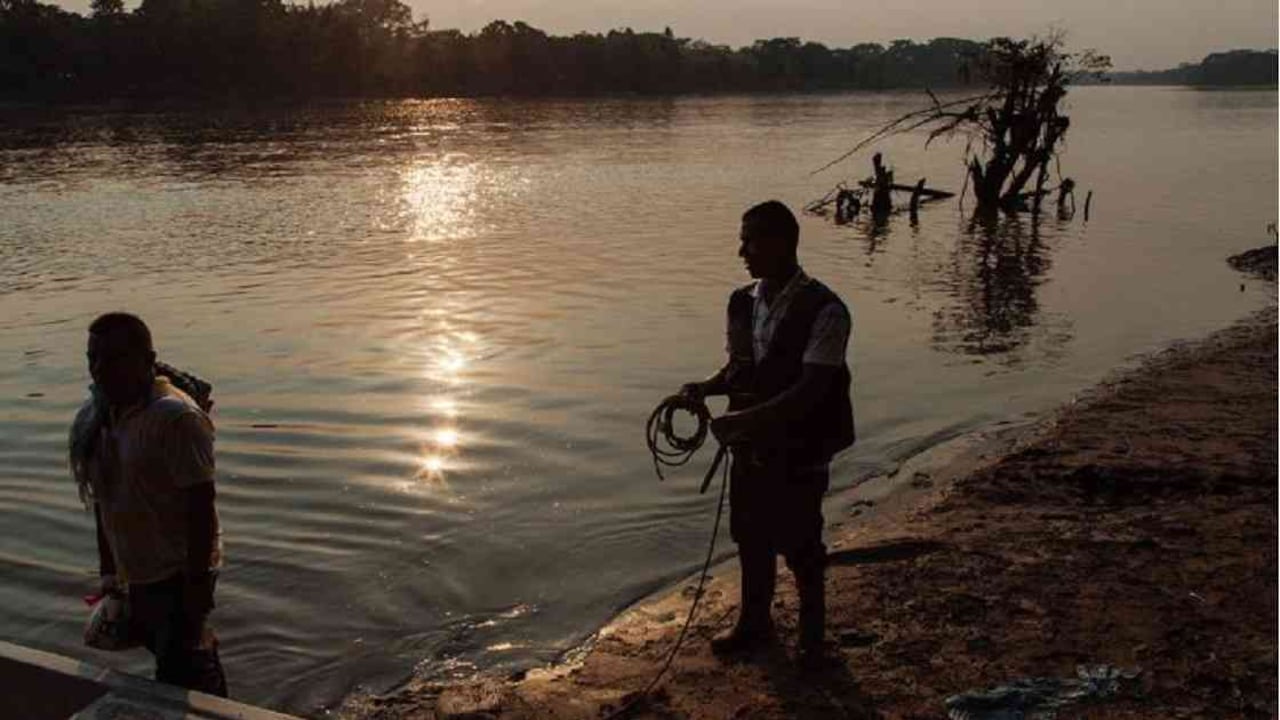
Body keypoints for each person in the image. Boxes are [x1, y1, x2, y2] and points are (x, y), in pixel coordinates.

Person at [680, 200, 855, 669]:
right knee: (750, 533)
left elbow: (812, 390)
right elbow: (741, 369)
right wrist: (705, 389)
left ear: (781, 243)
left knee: (801, 542)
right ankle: (755, 623)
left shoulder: (827, 310)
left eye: (751, 240)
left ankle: (813, 641)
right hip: (752, 444)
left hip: (802, 445)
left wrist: (742, 421)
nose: (742, 251)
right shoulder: (742, 301)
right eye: (743, 240)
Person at [69, 312, 227, 696]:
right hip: (136, 573)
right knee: (174, 664)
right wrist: (110, 575)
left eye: (114, 358)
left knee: (185, 672)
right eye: (93, 359)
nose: (100, 370)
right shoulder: (99, 418)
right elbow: (105, 500)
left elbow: (201, 510)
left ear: (147, 359)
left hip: (178, 574)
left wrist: (196, 594)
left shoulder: (175, 419)